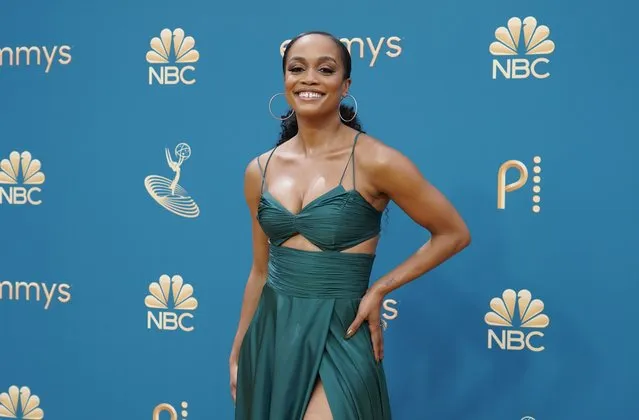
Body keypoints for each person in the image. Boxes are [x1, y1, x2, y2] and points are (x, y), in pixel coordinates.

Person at [229, 31, 471, 420]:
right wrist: (240, 347)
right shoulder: (260, 169)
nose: (308, 78)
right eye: (297, 68)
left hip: (340, 333)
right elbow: (260, 270)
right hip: (271, 339)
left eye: (325, 69)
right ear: (284, 81)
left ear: (345, 86)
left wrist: (379, 290)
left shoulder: (378, 161)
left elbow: (453, 233)